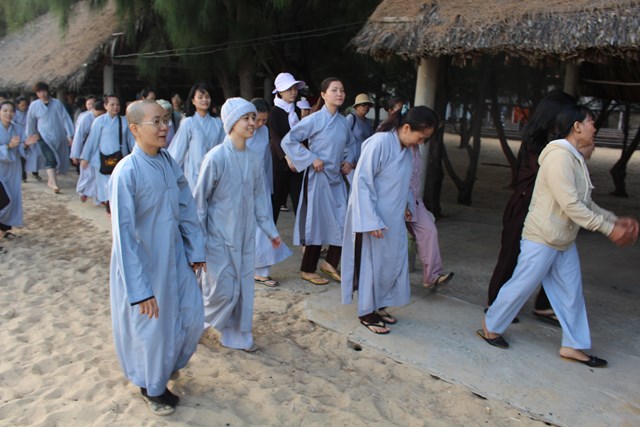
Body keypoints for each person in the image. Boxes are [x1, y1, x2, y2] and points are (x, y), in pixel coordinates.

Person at [479, 104, 639, 367]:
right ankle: (491, 325)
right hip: (542, 237)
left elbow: (585, 202)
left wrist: (614, 219)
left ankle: (573, 345)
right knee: (521, 286)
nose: (594, 127)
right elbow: (571, 206)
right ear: (576, 126)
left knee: (571, 293)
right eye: (590, 122)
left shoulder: (574, 157)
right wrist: (609, 230)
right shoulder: (558, 157)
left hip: (562, 239)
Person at [109, 100, 206, 416]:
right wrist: (140, 290)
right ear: (135, 129)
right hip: (145, 263)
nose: (165, 127)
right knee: (153, 329)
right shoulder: (126, 172)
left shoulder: (168, 162)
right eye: (156, 122)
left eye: (166, 120)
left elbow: (186, 207)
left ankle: (166, 366)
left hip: (175, 256)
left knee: (192, 315)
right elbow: (124, 236)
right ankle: (152, 389)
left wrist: (195, 249)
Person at [194, 97, 281, 351]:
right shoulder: (216, 157)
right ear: (232, 122)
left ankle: (237, 337)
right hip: (217, 237)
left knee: (242, 288)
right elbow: (199, 202)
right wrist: (198, 240)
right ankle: (197, 326)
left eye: (254, 117)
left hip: (244, 237)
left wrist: (270, 230)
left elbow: (260, 198)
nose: (252, 123)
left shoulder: (253, 159)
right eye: (246, 118)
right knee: (220, 289)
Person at [342, 106, 438, 334]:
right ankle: (366, 312)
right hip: (374, 218)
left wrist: (407, 205)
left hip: (393, 217)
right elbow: (362, 182)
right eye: (421, 137)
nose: (421, 142)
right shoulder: (379, 143)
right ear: (407, 128)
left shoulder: (407, 150)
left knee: (390, 264)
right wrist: (371, 220)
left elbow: (405, 182)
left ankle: (379, 305)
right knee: (372, 265)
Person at [486, 92, 578, 325]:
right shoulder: (540, 142)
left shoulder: (553, 141)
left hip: (544, 208)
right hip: (525, 206)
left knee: (554, 255)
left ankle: (544, 305)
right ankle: (496, 303)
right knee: (512, 255)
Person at [281, 77, 356, 285]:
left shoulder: (343, 122)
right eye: (334, 90)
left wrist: (349, 160)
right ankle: (307, 269)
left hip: (336, 178)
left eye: (342, 90)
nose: (339, 94)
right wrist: (310, 158)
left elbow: (352, 144)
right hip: (318, 178)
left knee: (343, 220)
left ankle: (330, 264)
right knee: (316, 223)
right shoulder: (314, 119)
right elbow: (288, 140)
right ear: (323, 95)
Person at [246, 98, 293, 287]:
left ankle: (262, 272)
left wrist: (269, 187)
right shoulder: (241, 130)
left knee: (264, 229)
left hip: (261, 185)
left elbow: (267, 160)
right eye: (257, 119)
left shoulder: (264, 131)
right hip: (242, 186)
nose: (259, 124)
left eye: (264, 120)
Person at [80, 94, 134, 213]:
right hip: (103, 158)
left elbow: (131, 140)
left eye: (117, 104)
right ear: (105, 106)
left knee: (119, 183)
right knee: (106, 185)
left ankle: (116, 206)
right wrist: (85, 157)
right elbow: (92, 140)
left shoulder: (124, 121)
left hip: (120, 157)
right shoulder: (99, 121)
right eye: (112, 104)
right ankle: (109, 205)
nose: (115, 107)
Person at [168, 83, 225, 192]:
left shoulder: (218, 123)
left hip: (214, 173)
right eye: (200, 97)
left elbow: (222, 149)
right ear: (193, 101)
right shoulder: (188, 122)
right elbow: (178, 150)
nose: (204, 100)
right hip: (193, 174)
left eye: (207, 97)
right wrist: (169, 172)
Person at [269, 72, 306, 223]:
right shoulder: (274, 112)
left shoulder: (296, 110)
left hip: (297, 163)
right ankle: (269, 235)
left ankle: (304, 237)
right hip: (281, 163)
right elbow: (275, 138)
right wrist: (287, 158)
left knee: (300, 202)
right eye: (289, 89)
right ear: (280, 91)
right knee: (276, 202)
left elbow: (301, 135)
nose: (293, 92)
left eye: (295, 88)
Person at [25, 81, 75, 193]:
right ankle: (53, 183)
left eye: (43, 91)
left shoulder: (57, 104)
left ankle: (51, 180)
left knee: (57, 158)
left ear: (48, 91)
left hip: (58, 135)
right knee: (50, 157)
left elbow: (65, 118)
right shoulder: (34, 105)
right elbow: (31, 121)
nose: (42, 94)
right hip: (43, 136)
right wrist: (31, 135)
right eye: (39, 92)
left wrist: (70, 134)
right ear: (37, 94)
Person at [0, 101, 36, 240]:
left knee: (12, 198)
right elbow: (11, 146)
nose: (8, 114)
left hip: (12, 169)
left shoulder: (17, 128)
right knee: (4, 200)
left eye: (11, 111)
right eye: (5, 110)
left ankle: (4, 230)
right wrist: (9, 146)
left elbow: (21, 148)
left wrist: (25, 144)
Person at [71, 99, 106, 203]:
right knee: (87, 174)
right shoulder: (86, 118)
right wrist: (75, 154)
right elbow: (79, 136)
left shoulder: (105, 118)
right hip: (86, 150)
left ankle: (99, 197)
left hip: (100, 150)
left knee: (99, 174)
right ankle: (83, 191)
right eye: (98, 114)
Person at [344, 93, 374, 185]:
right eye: (363, 104)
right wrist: (347, 160)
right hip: (350, 162)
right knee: (354, 187)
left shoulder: (368, 122)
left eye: (368, 105)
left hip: (363, 161)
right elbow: (342, 139)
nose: (366, 107)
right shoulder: (351, 118)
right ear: (356, 106)